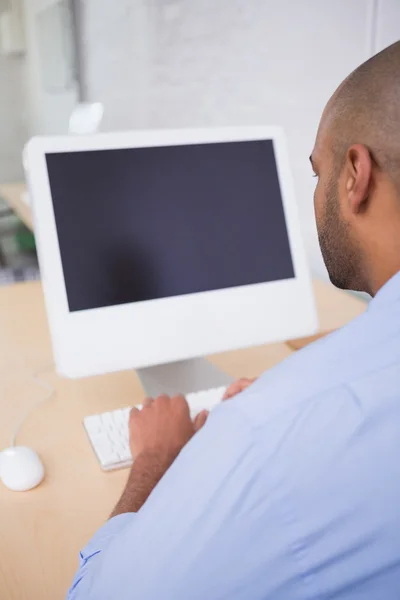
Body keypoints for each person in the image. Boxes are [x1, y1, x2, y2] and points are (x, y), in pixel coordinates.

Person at [68, 41, 400, 599]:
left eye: (317, 174)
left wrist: (157, 462)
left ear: (355, 175)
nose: (315, 195)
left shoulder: (262, 435)